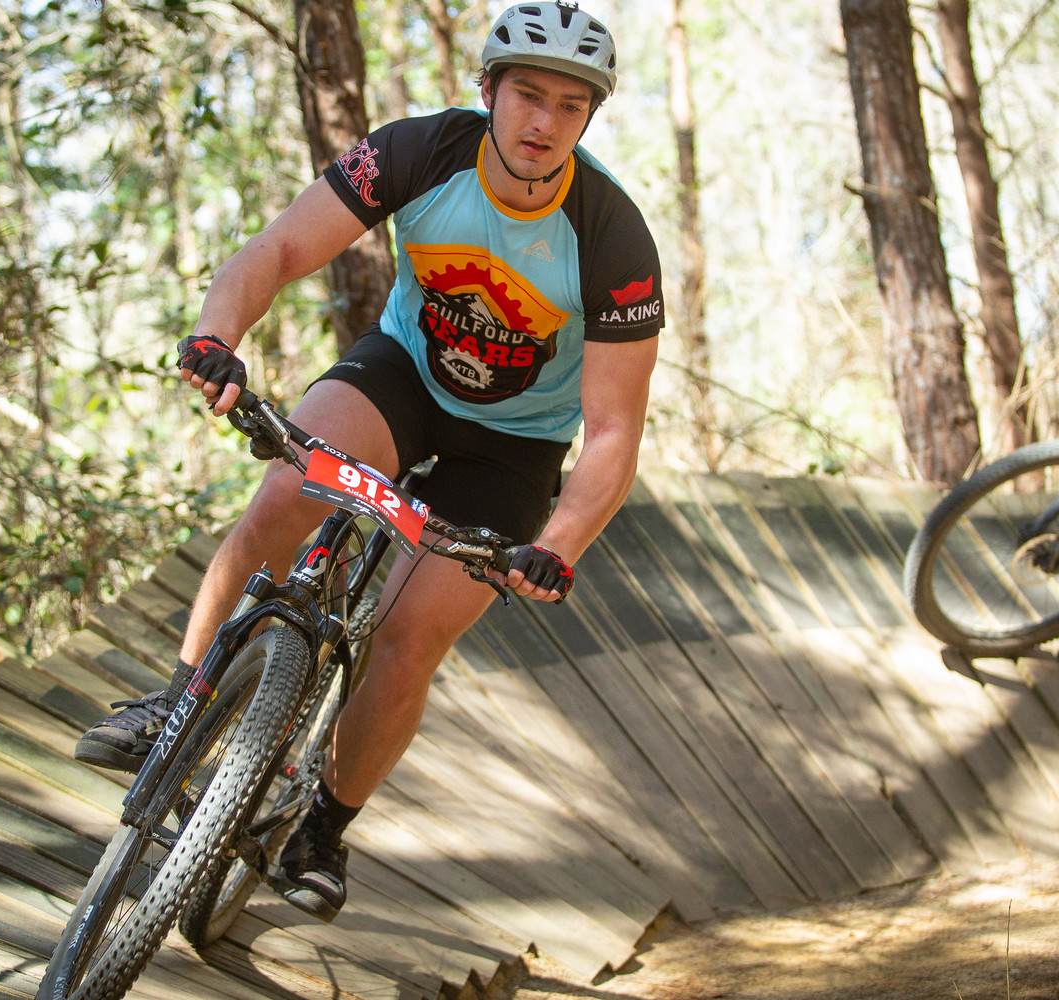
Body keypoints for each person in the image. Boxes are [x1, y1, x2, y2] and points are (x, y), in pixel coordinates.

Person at [74, 0, 663, 922]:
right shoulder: (418, 151)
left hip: (514, 444)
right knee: (283, 495)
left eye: (569, 106)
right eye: (528, 95)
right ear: (488, 91)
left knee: (410, 634)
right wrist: (216, 337)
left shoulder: (613, 234)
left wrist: (559, 545)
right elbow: (279, 247)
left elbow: (615, 431)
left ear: (590, 118)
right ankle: (178, 701)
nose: (544, 123)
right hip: (406, 376)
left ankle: (322, 826)